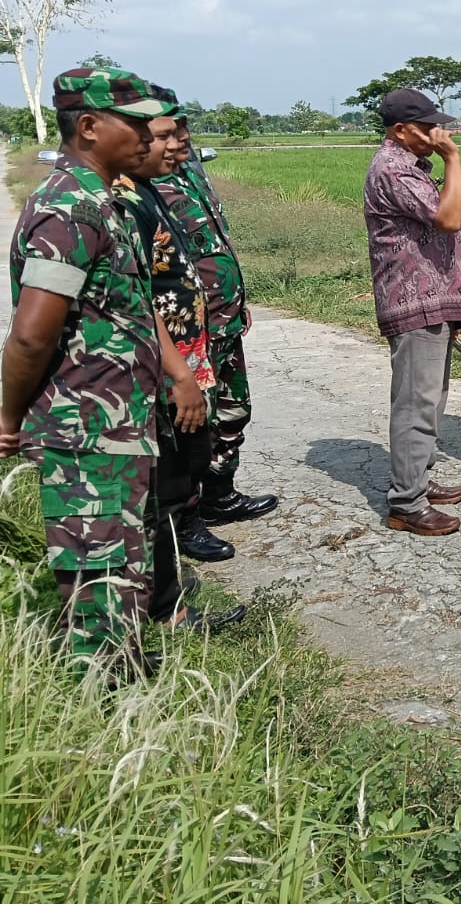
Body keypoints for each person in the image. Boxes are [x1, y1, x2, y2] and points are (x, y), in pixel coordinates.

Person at [1, 68, 178, 670]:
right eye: (134, 123)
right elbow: (30, 336)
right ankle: (106, 706)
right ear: (89, 126)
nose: (148, 134)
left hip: (116, 424)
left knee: (122, 565)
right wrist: (8, 415)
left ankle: (123, 678)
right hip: (85, 431)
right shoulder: (69, 209)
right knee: (99, 572)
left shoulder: (103, 199)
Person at [113, 109, 238, 593]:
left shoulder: (147, 191)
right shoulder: (120, 200)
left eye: (177, 135)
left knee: (191, 446)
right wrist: (179, 371)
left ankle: (178, 545)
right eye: (162, 136)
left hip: (187, 342)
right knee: (174, 458)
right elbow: (140, 298)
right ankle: (176, 547)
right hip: (163, 358)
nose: (174, 144)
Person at [153, 105, 279, 527]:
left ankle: (220, 496)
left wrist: (236, 303)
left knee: (232, 410)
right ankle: (183, 521)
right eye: (169, 131)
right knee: (189, 424)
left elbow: (215, 245)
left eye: (184, 128)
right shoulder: (141, 187)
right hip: (186, 333)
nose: (181, 138)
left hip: (223, 321)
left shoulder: (190, 175)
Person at [364, 87, 461, 537]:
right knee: (416, 400)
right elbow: (450, 218)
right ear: (400, 130)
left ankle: (419, 477)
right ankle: (405, 502)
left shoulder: (410, 166)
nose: (438, 132)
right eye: (429, 126)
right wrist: (453, 160)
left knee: (432, 395)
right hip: (415, 301)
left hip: (433, 298)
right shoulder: (393, 168)